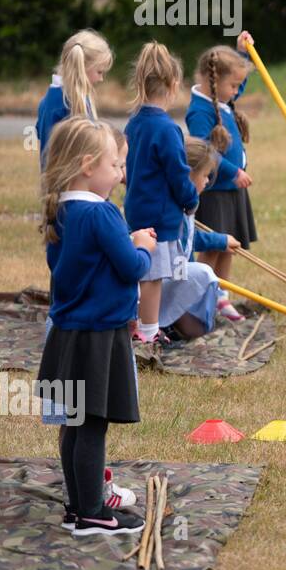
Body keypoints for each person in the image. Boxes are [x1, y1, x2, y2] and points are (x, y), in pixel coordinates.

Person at [37, 117, 154, 536]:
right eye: (115, 165)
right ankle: (91, 516)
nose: (121, 174)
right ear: (88, 166)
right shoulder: (102, 214)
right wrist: (141, 246)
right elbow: (130, 269)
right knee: (92, 425)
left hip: (66, 334)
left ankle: (79, 506)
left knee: (73, 423)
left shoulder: (61, 210)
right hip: (98, 338)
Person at [124, 42, 200, 347]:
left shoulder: (134, 123)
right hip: (160, 216)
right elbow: (178, 175)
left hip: (136, 209)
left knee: (140, 270)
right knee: (152, 277)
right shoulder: (167, 130)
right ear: (173, 85)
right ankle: (148, 331)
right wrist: (191, 200)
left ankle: (135, 321)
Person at [185, 32, 255, 322]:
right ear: (212, 81)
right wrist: (232, 171)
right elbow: (207, 152)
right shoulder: (199, 111)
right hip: (215, 190)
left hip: (232, 191)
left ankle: (222, 297)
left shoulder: (223, 99)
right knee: (214, 247)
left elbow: (238, 80)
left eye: (239, 85)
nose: (237, 91)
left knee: (230, 245)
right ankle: (206, 297)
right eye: (233, 85)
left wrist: (244, 55)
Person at [159, 137, 239, 342]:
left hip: (175, 275)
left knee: (201, 327)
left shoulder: (185, 204)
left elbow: (189, 238)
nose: (206, 181)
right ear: (187, 175)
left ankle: (214, 302)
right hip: (162, 281)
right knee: (202, 275)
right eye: (204, 176)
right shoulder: (169, 208)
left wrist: (220, 241)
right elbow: (180, 247)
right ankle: (164, 321)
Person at [35, 29, 114, 169]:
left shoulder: (69, 98)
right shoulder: (62, 104)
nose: (101, 79)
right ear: (81, 67)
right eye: (99, 72)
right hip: (65, 184)